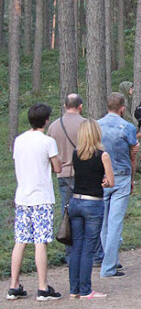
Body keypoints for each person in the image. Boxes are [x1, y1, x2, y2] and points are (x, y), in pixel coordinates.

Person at [8, 103, 63, 301]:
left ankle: (14, 285)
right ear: (46, 120)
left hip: (23, 196)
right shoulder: (47, 142)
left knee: (20, 241)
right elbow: (57, 167)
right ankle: (42, 287)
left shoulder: (19, 140)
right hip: (42, 198)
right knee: (40, 241)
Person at [68, 119, 114, 299]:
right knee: (88, 247)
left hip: (76, 201)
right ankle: (86, 289)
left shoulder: (75, 154)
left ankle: (74, 289)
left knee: (76, 247)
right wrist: (102, 182)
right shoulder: (103, 156)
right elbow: (111, 182)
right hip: (93, 203)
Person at [98, 93, 139, 278]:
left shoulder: (96, 126)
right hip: (121, 176)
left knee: (104, 222)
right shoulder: (127, 127)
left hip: (102, 177)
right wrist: (132, 179)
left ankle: (110, 260)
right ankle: (108, 266)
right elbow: (133, 154)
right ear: (122, 108)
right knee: (115, 222)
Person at [46, 93, 87, 265]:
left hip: (62, 174)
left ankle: (70, 253)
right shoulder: (86, 125)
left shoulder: (54, 126)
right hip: (83, 173)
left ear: (64, 106)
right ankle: (84, 251)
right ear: (80, 106)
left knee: (67, 212)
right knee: (86, 213)